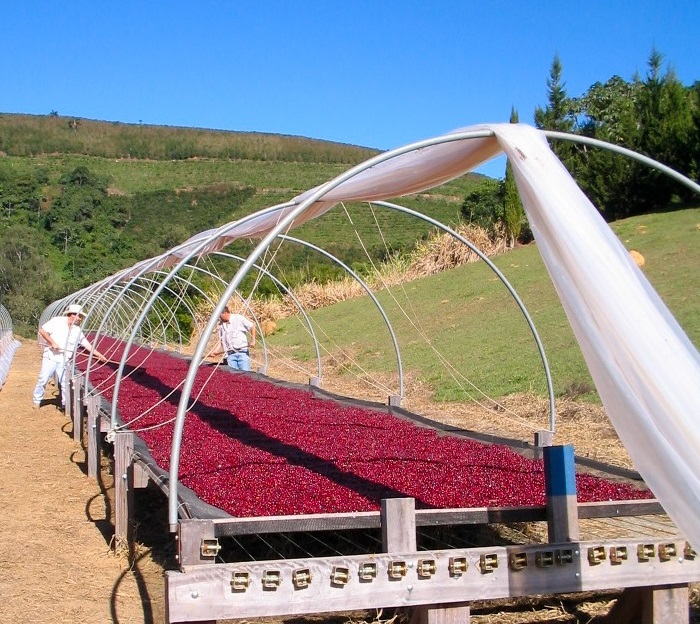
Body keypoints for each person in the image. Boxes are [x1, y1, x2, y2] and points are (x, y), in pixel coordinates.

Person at [32, 304, 108, 410]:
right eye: (79, 316)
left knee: (65, 383)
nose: (80, 319)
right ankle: (37, 400)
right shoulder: (57, 321)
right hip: (51, 356)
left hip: (64, 359)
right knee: (43, 379)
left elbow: (86, 344)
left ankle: (65, 405)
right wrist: (52, 343)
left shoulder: (77, 330)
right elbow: (42, 331)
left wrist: (99, 355)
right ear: (72, 315)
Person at [212, 306, 256, 371]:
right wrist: (215, 351)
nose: (219, 318)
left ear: (225, 313)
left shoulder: (238, 318)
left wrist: (253, 340)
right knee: (233, 376)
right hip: (230, 355)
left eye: (219, 316)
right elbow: (221, 340)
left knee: (246, 375)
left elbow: (252, 326)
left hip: (242, 353)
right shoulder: (221, 325)